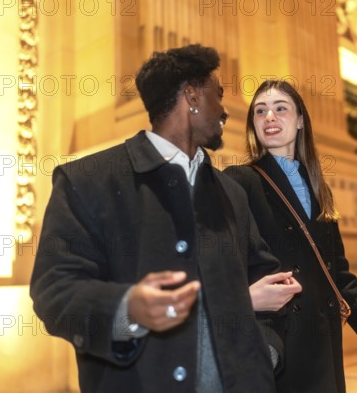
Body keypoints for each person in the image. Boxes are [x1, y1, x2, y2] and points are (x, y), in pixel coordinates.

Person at [30, 45, 301, 393]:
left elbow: (264, 282)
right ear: (192, 96)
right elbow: (54, 292)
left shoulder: (232, 193)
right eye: (218, 96)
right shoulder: (85, 181)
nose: (225, 112)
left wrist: (265, 353)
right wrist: (127, 311)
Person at [225, 80, 357, 392]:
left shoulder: (318, 189)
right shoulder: (239, 181)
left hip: (324, 342)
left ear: (300, 121)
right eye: (260, 111)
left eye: (280, 109)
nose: (269, 117)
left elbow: (339, 276)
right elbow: (223, 261)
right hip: (279, 341)